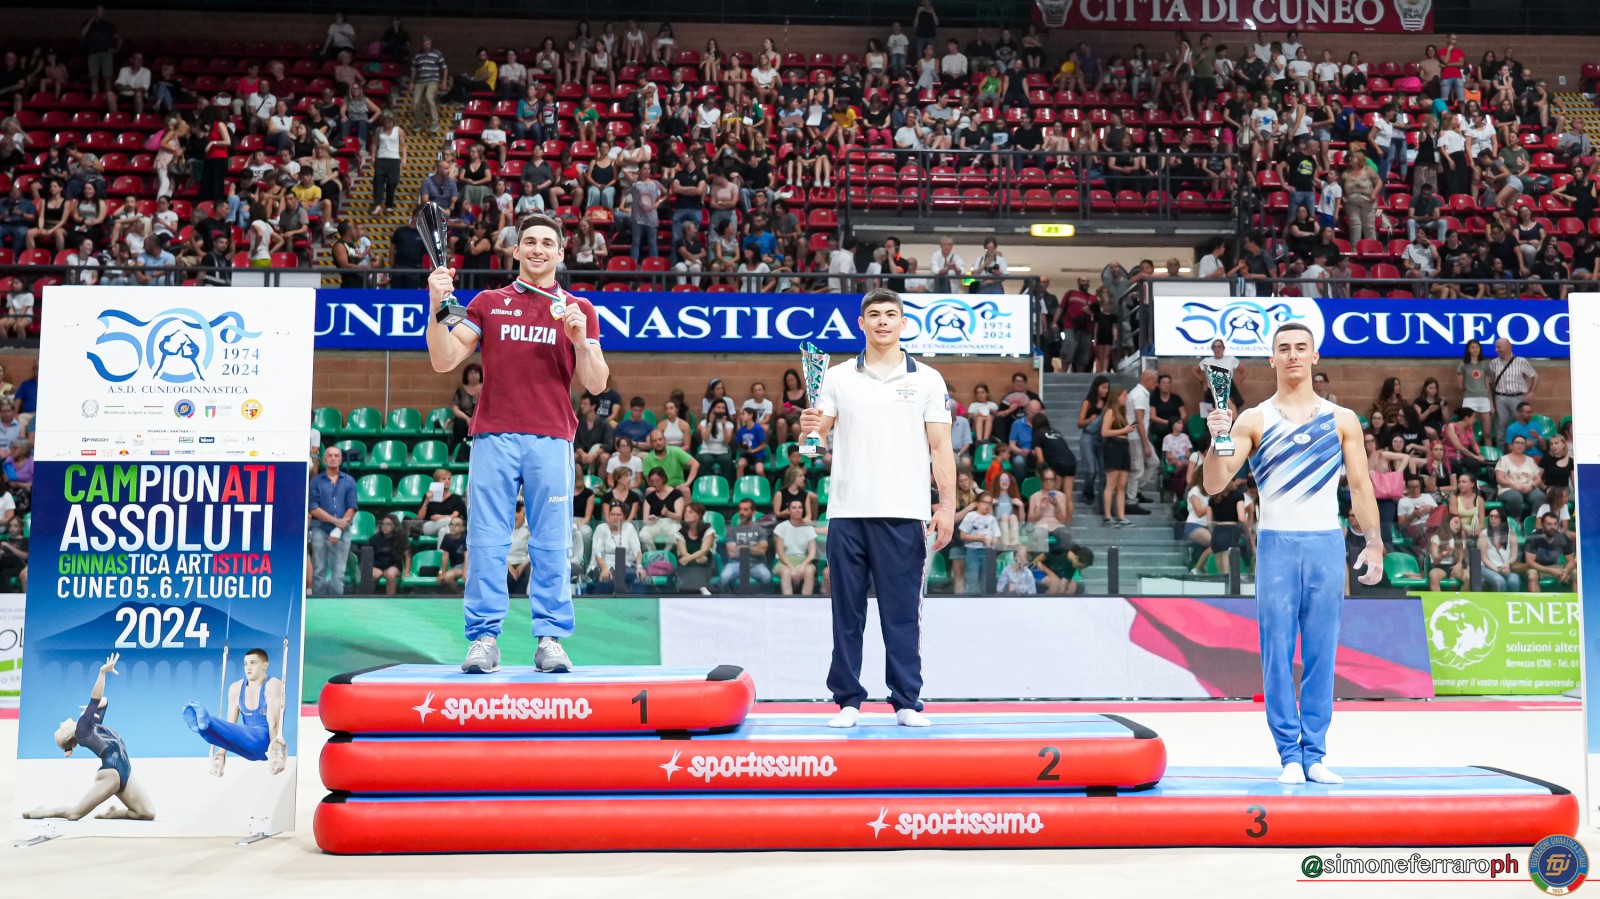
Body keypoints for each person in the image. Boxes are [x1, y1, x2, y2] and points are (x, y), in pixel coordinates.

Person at [426, 213, 609, 675]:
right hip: (494, 435)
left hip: (552, 437)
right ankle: (484, 639)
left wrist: (580, 342)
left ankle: (550, 639)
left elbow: (597, 383)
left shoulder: (579, 309)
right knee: (487, 540)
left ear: (561, 252)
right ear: (516, 250)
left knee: (552, 542)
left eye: (547, 242)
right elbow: (445, 359)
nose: (537, 249)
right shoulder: (487, 303)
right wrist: (435, 304)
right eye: (529, 241)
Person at [1203, 322, 1384, 786]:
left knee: (1322, 654)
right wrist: (1217, 439)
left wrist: (1374, 541)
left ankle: (1315, 754)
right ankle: (1288, 754)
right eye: (1283, 348)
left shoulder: (1342, 419)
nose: (1293, 355)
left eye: (1301, 347)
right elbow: (1215, 483)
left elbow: (1360, 486)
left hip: (1325, 545)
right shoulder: (1254, 420)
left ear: (1315, 356)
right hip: (1277, 547)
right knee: (1277, 654)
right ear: (1272, 359)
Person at [800, 288, 953, 728]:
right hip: (847, 512)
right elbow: (814, 446)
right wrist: (807, 433)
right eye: (874, 314)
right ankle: (848, 701)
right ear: (861, 323)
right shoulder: (836, 377)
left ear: (903, 323)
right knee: (846, 614)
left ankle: (906, 701)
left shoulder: (928, 379)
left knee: (902, 615)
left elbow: (940, 447)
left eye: (890, 314)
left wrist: (946, 506)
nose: (882, 321)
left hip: (905, 513)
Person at [25, 653, 155, 821]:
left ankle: (112, 814)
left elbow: (103, 702)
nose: (60, 722)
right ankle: (45, 811)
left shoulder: (93, 726)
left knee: (146, 813)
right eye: (60, 728)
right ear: (67, 734)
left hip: (126, 774)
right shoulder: (82, 730)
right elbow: (96, 698)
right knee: (74, 814)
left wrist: (95, 706)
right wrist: (102, 672)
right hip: (111, 775)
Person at [182, 646, 287, 776]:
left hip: (265, 742)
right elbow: (230, 727)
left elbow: (274, 724)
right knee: (213, 734)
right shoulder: (236, 688)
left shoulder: (273, 685)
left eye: (253, 663)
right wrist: (220, 755)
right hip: (245, 744)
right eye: (245, 664)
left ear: (265, 665)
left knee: (244, 732)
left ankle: (207, 720)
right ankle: (202, 728)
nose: (248, 667)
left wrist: (276, 753)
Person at [308, 445, 357, 596]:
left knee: (339, 572)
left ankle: (337, 605)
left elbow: (352, 507)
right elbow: (313, 508)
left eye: (336, 455)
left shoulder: (349, 481)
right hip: (320, 529)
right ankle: (318, 603)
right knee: (319, 570)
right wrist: (337, 522)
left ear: (341, 459)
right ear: (324, 459)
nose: (333, 458)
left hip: (343, 531)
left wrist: (339, 529)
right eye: (330, 455)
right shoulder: (315, 482)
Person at [773, 499, 819, 595]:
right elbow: (780, 554)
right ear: (789, 511)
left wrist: (802, 566)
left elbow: (812, 554)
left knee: (809, 571)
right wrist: (792, 568)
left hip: (804, 560)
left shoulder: (809, 529)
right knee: (786, 572)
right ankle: (788, 601)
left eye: (800, 507)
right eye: (794, 508)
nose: (798, 510)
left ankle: (806, 601)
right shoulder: (781, 527)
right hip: (784, 562)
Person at [1524, 512, 1575, 592]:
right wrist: (1551, 571)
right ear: (1542, 525)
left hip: (1554, 566)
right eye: (1549, 524)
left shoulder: (1563, 538)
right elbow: (1530, 563)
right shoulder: (1533, 537)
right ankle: (1536, 600)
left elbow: (1571, 561)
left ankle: (1578, 600)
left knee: (1576, 574)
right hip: (1536, 567)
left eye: (1555, 524)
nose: (1552, 527)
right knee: (1532, 575)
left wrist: (1566, 570)